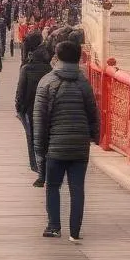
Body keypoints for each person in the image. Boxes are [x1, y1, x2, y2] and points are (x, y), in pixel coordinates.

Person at [33, 40, 100, 241]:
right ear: (79, 57)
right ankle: (75, 231)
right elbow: (93, 113)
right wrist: (94, 136)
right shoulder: (84, 82)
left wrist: (39, 148)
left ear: (57, 56)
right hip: (80, 145)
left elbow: (40, 119)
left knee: (53, 185)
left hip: (56, 144)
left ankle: (54, 226)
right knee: (77, 188)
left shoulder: (47, 82)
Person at [15, 30, 52, 184]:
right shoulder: (49, 67)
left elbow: (20, 91)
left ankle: (40, 170)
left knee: (34, 139)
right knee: (47, 137)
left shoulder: (27, 68)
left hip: (31, 109)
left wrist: (19, 108)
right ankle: (48, 168)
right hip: (48, 108)